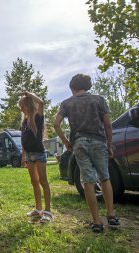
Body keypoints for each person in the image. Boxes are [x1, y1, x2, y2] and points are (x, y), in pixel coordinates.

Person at [53, 73, 120, 233]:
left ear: (72, 87)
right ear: (87, 86)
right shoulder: (99, 100)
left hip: (79, 142)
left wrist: (66, 142)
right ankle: (111, 215)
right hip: (98, 141)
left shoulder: (67, 103)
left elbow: (55, 123)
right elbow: (108, 125)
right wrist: (109, 145)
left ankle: (96, 221)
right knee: (105, 177)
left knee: (88, 181)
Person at [18, 91, 52, 223]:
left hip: (39, 154)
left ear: (29, 105)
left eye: (22, 106)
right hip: (29, 156)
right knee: (34, 182)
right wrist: (23, 157)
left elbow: (41, 102)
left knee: (43, 181)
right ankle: (38, 209)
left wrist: (29, 94)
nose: (21, 109)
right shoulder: (24, 121)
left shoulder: (38, 117)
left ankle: (48, 211)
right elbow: (23, 141)